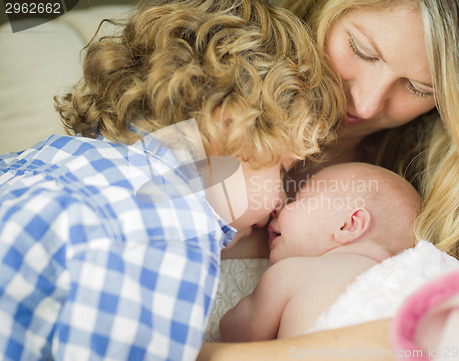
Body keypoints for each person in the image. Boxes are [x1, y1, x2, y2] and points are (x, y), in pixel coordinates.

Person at [0, 0, 344, 359]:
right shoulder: (169, 229)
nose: (281, 202)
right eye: (283, 169)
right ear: (229, 126)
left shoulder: (61, 155)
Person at [198, 0, 459, 359]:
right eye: (363, 51)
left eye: (420, 88)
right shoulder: (206, 113)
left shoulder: (440, 203)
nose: (368, 103)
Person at [219, 163, 420, 341]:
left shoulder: (295, 272)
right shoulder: (408, 286)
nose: (278, 208)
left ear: (348, 225)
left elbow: (236, 332)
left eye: (298, 199)